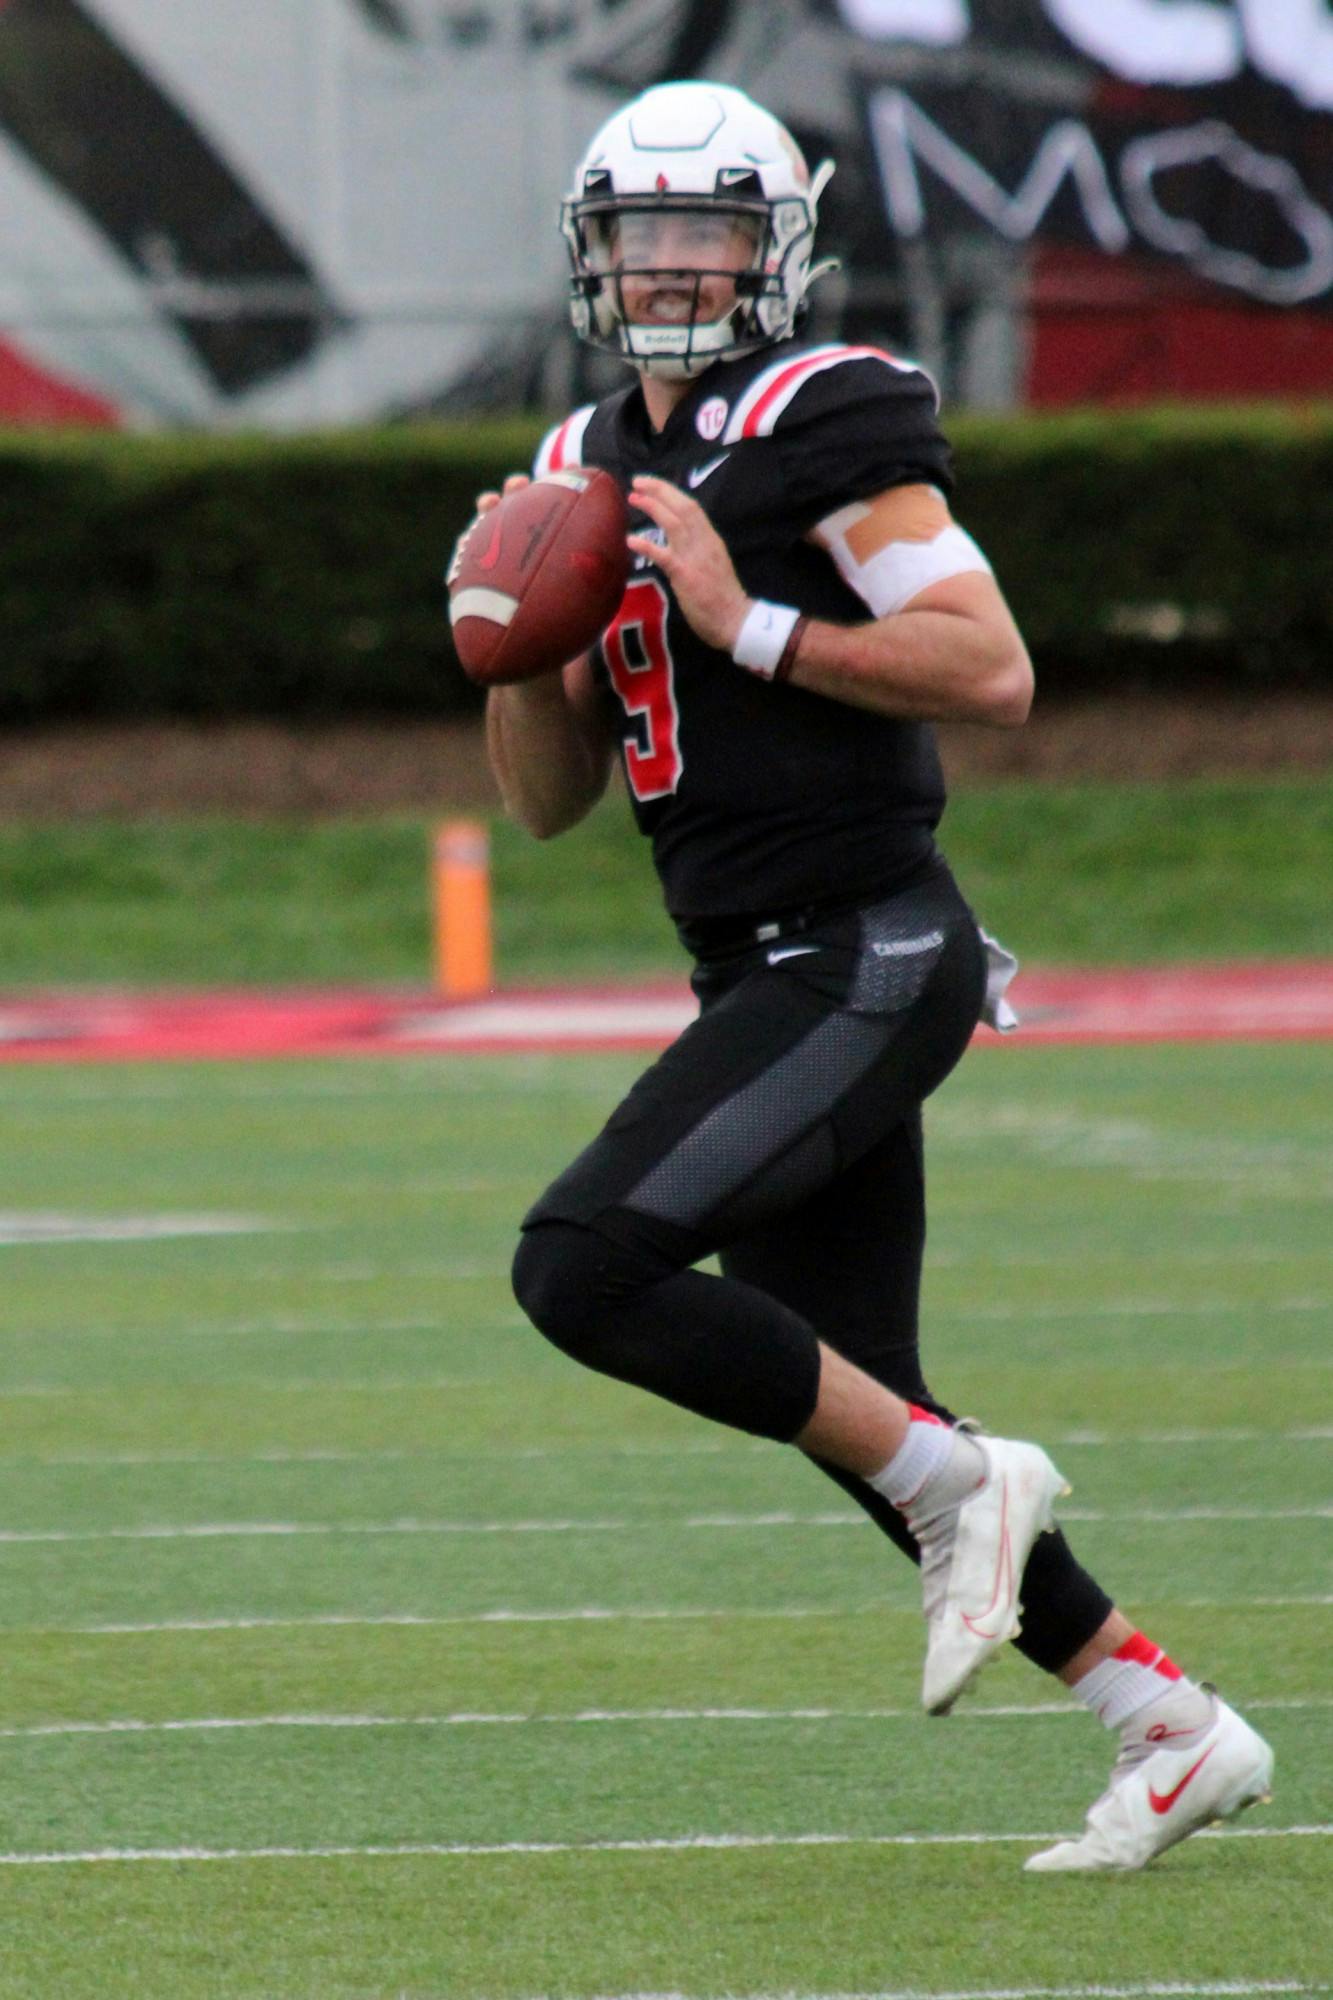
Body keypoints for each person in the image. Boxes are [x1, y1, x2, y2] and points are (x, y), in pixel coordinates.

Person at [478, 79, 1273, 1870]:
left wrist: (743, 620)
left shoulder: (817, 412)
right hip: (750, 961)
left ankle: (971, 1484)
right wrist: (510, 653)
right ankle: (1167, 1720)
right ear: (592, 257)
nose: (670, 268)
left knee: (582, 1266)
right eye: (639, 235)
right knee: (854, 1384)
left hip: (868, 944)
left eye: (707, 233)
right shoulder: (572, 462)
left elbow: (986, 668)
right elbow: (540, 810)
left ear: (777, 251)